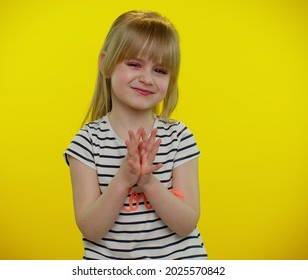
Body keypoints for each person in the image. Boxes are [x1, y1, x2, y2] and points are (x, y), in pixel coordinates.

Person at [64, 10, 207, 260]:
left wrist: (149, 183)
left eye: (160, 70)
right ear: (105, 64)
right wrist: (123, 179)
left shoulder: (179, 137)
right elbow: (91, 230)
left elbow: (186, 223)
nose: (147, 78)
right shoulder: (86, 143)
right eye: (134, 64)